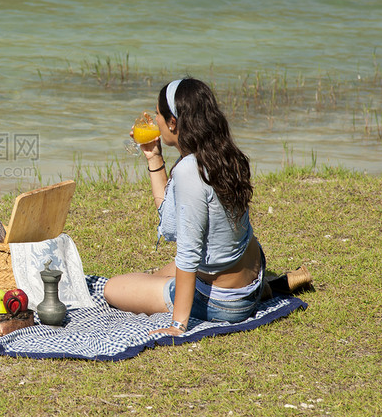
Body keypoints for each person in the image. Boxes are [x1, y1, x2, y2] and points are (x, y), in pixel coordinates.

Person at [103, 78, 266, 335]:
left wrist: (178, 325)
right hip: (252, 278)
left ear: (173, 122)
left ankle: (194, 308)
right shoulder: (222, 152)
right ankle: (267, 288)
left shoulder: (190, 170)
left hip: (226, 301)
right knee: (156, 275)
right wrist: (154, 156)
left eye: (157, 114)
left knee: (112, 288)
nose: (154, 120)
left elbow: (188, 252)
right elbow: (172, 222)